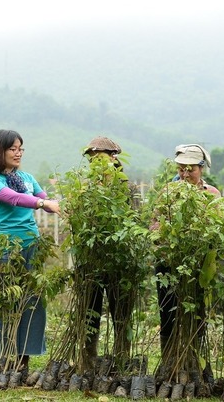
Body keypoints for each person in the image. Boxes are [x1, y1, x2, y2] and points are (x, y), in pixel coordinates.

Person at [0, 129, 61, 370]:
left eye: (20, 149)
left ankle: (22, 362)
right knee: (5, 304)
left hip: (31, 246)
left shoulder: (27, 177)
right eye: (13, 149)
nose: (18, 153)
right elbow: (15, 199)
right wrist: (42, 202)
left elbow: (46, 201)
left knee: (31, 302)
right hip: (6, 248)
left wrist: (61, 203)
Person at [154, 144, 221, 357]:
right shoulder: (167, 192)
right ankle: (169, 360)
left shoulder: (211, 194)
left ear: (201, 169)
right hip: (169, 264)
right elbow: (154, 226)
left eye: (190, 169)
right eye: (181, 169)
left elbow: (217, 229)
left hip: (198, 266)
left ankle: (194, 361)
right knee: (168, 313)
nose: (185, 174)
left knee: (197, 314)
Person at [79, 136, 140, 370]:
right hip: (91, 260)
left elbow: (134, 222)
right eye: (92, 159)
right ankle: (88, 359)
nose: (95, 163)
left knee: (121, 311)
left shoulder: (127, 187)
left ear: (113, 158)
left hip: (119, 260)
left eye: (99, 158)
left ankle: (122, 357)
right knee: (89, 311)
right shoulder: (85, 188)